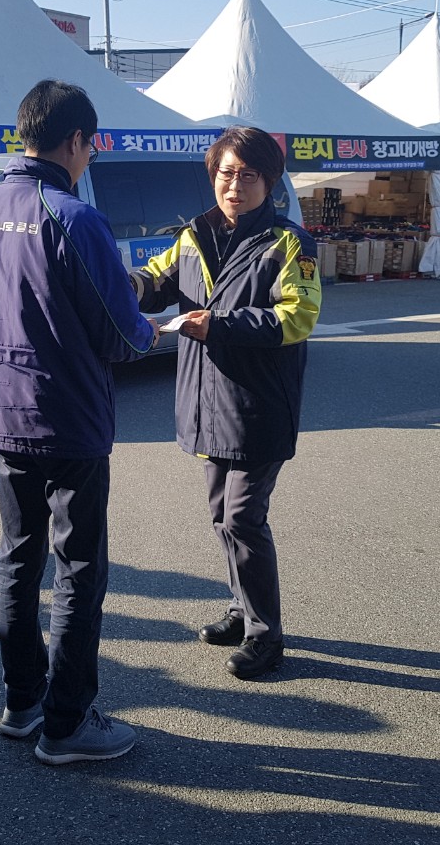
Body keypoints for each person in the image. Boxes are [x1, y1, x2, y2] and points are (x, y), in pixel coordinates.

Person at [0, 80, 158, 764]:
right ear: (75, 141)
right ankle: (68, 724)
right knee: (78, 569)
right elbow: (122, 336)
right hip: (66, 416)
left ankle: (24, 702)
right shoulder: (73, 216)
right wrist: (152, 327)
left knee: (18, 558)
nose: (89, 156)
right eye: (90, 145)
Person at [131, 126, 321, 680]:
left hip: (259, 405)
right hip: (206, 403)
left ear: (270, 181)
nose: (234, 186)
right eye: (226, 173)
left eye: (248, 175)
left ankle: (266, 636)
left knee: (242, 517)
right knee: (222, 516)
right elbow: (156, 279)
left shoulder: (290, 244)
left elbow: (298, 317)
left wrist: (218, 325)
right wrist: (125, 286)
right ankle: (242, 610)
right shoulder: (193, 236)